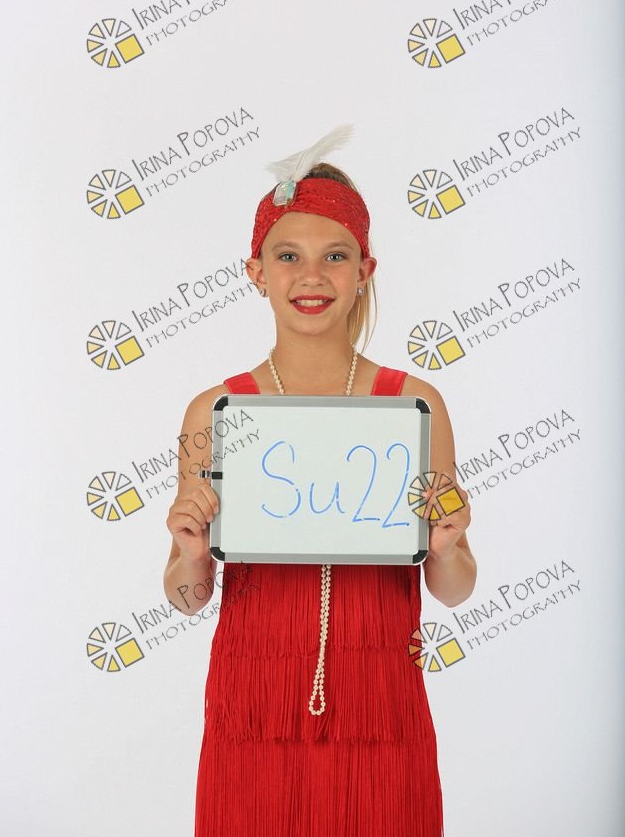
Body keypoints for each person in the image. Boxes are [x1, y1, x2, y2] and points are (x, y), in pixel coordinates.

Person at [164, 126, 477, 837]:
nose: (312, 276)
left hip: (382, 709)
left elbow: (454, 589)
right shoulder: (215, 412)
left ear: (365, 269)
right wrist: (188, 551)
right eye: (288, 256)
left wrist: (448, 544)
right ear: (255, 272)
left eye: (335, 256)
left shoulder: (414, 405)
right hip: (252, 713)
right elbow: (186, 599)